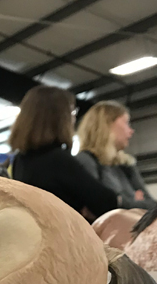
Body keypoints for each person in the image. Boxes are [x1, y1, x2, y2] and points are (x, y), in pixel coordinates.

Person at [10, 86, 119, 221]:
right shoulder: (58, 160)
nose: (74, 119)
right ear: (60, 118)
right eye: (72, 112)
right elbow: (107, 202)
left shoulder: (19, 160)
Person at [76, 100, 156, 210]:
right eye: (126, 123)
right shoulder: (86, 160)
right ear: (107, 124)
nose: (131, 131)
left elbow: (153, 205)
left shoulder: (126, 164)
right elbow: (97, 206)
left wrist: (122, 201)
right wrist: (134, 201)